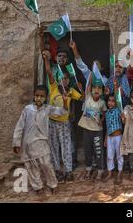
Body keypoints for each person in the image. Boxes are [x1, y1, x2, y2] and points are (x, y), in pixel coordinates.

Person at [12, 85, 67, 193]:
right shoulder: (27, 109)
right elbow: (19, 126)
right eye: (37, 95)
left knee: (46, 164)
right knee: (32, 167)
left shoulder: (47, 109)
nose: (39, 98)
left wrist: (65, 101)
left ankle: (53, 184)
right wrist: (16, 143)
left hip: (42, 142)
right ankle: (38, 187)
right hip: (28, 144)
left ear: (46, 97)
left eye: (42, 96)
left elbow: (63, 112)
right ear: (34, 96)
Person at [43, 50, 83, 183]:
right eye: (62, 78)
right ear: (59, 78)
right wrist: (47, 60)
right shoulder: (54, 87)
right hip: (52, 122)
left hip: (64, 123)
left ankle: (68, 171)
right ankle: (57, 171)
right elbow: (49, 72)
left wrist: (81, 88)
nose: (64, 80)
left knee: (66, 147)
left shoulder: (71, 91)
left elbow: (83, 98)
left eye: (66, 78)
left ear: (68, 80)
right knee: (54, 147)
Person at [78, 74, 107, 180]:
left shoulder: (102, 102)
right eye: (94, 87)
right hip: (86, 129)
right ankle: (88, 169)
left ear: (102, 92)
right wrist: (91, 75)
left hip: (97, 131)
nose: (96, 90)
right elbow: (89, 85)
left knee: (98, 151)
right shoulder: (88, 97)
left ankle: (100, 170)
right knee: (87, 150)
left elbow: (104, 115)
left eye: (99, 88)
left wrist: (101, 121)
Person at [102, 92, 124, 184]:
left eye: (113, 101)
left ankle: (119, 173)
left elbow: (123, 122)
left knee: (119, 155)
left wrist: (123, 119)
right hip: (110, 137)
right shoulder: (106, 113)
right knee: (109, 156)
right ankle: (110, 172)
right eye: (109, 101)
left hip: (118, 137)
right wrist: (106, 138)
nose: (110, 103)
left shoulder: (118, 110)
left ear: (116, 102)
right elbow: (107, 126)